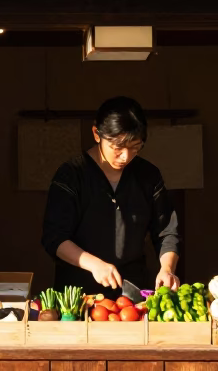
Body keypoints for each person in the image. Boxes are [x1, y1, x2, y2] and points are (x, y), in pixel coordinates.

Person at [41, 96, 181, 300]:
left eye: (135, 147)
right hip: (77, 295)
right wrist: (95, 265)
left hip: (132, 292)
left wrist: (167, 268)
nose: (126, 156)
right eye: (117, 148)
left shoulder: (148, 176)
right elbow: (54, 237)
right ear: (97, 134)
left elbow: (167, 232)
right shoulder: (71, 175)